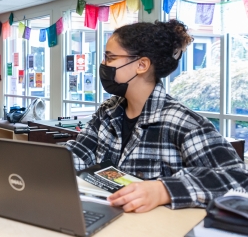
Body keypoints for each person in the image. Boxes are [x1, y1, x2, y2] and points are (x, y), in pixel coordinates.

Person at [65, 20, 248, 213]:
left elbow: (239, 180)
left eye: (110, 58)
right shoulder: (107, 112)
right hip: (107, 217)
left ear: (142, 65)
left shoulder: (183, 123)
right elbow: (78, 154)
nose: (103, 64)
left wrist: (164, 190)